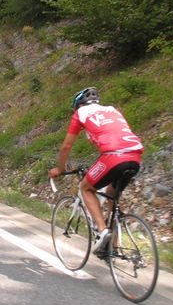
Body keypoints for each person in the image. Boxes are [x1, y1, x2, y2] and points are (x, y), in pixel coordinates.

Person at [48, 87, 143, 252]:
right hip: (134, 156)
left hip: (113, 155)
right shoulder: (112, 110)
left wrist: (59, 168)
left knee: (86, 188)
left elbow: (66, 146)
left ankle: (102, 230)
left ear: (78, 105)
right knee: (112, 196)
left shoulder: (80, 113)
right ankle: (113, 247)